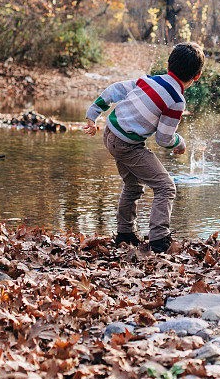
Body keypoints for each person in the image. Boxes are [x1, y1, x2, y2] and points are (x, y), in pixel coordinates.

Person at [83, 42, 204, 253]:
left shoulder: (148, 80)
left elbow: (114, 90)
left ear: (169, 65)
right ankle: (159, 239)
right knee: (166, 187)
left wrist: (93, 115)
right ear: (197, 76)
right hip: (127, 145)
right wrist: (180, 143)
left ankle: (125, 233)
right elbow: (164, 138)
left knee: (133, 185)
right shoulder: (176, 100)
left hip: (110, 135)